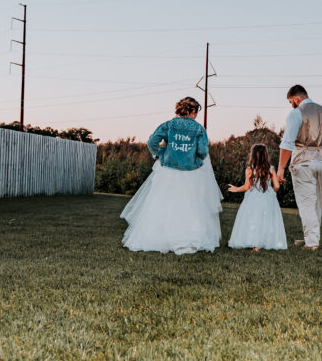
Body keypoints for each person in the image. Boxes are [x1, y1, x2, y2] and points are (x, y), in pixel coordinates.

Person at [120, 96, 222, 255]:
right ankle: (186, 237)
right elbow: (202, 151)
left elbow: (152, 142)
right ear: (193, 111)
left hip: (167, 170)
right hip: (191, 172)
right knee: (189, 205)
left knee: (163, 203)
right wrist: (195, 159)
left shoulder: (168, 125)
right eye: (197, 112)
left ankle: (159, 238)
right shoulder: (199, 129)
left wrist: (157, 154)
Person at [277, 85, 322, 250]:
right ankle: (311, 237)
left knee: (306, 203)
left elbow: (287, 144)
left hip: (303, 163)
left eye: (291, 102)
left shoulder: (296, 113)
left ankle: (312, 242)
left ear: (296, 99)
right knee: (316, 203)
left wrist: (281, 168)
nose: (291, 105)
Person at [227, 143, 287, 251]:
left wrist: (236, 189)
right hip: (267, 196)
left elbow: (246, 187)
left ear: (253, 155)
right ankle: (265, 241)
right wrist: (271, 193)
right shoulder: (271, 169)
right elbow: (277, 186)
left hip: (253, 197)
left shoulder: (250, 169)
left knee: (253, 219)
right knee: (266, 219)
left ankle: (254, 244)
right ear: (266, 155)